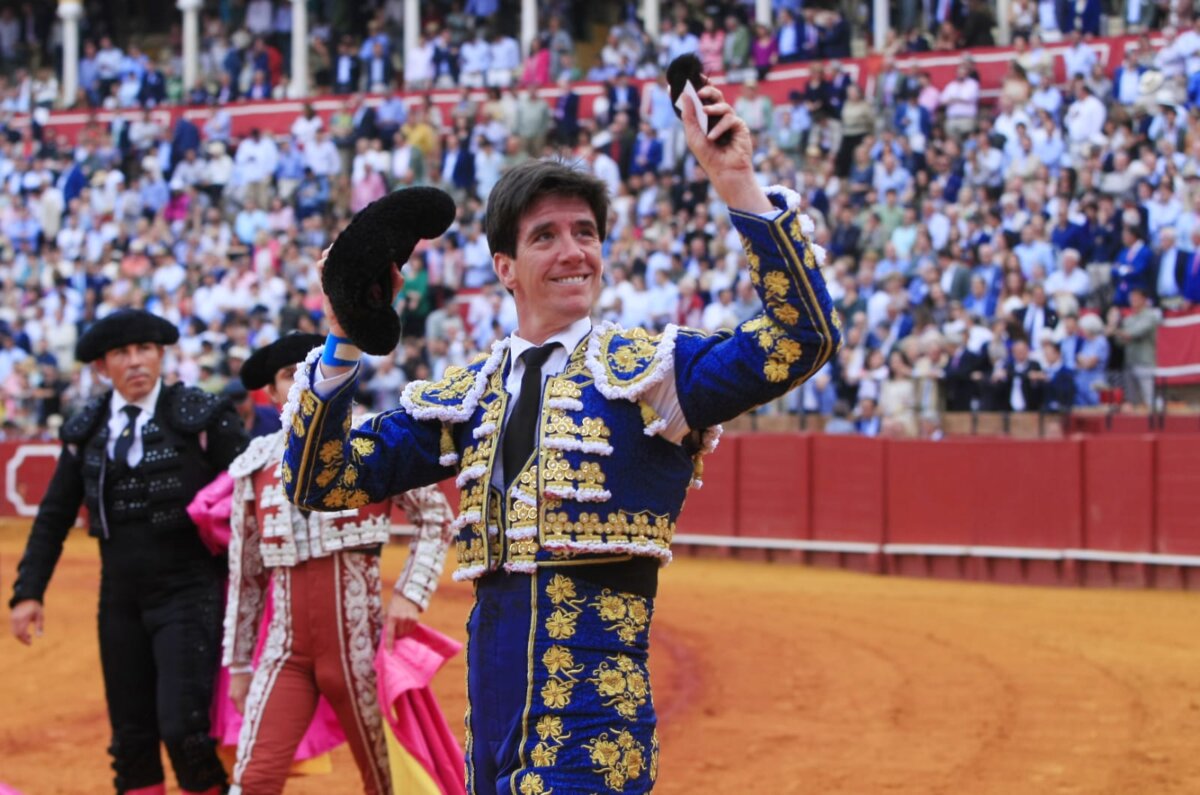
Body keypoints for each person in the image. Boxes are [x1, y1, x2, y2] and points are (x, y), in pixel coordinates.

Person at [282, 83, 840, 793]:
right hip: (491, 728)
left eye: (585, 231)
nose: (573, 251)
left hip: (594, 731)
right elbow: (321, 479)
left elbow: (803, 334)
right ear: (505, 268)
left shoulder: (651, 376)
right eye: (545, 236)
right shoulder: (472, 397)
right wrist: (342, 339)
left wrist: (735, 180)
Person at [9, 309, 248, 795]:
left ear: (161, 354)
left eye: (144, 350)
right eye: (122, 353)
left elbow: (251, 489)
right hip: (119, 600)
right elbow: (54, 516)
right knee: (131, 738)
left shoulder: (201, 416)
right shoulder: (87, 430)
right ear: (102, 366)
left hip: (189, 591)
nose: (135, 362)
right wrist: (27, 591)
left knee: (185, 730)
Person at [221, 334, 457, 795]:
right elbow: (246, 576)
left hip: (362, 648)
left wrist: (410, 596)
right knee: (254, 778)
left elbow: (435, 516)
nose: (299, 385)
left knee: (389, 779)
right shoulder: (254, 466)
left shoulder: (370, 440)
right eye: (288, 376)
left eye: (307, 373)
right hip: (285, 651)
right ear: (270, 393)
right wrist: (240, 664)